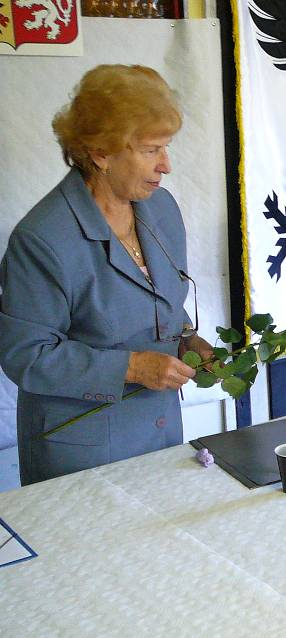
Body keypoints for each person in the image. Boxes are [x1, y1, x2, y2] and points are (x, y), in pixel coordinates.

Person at [0, 64, 212, 486]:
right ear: (101, 153)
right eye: (151, 150)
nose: (166, 165)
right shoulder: (41, 239)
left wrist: (187, 339)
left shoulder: (161, 208)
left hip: (159, 434)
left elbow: (158, 300)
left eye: (166, 147)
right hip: (82, 454)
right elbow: (27, 356)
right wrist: (132, 367)